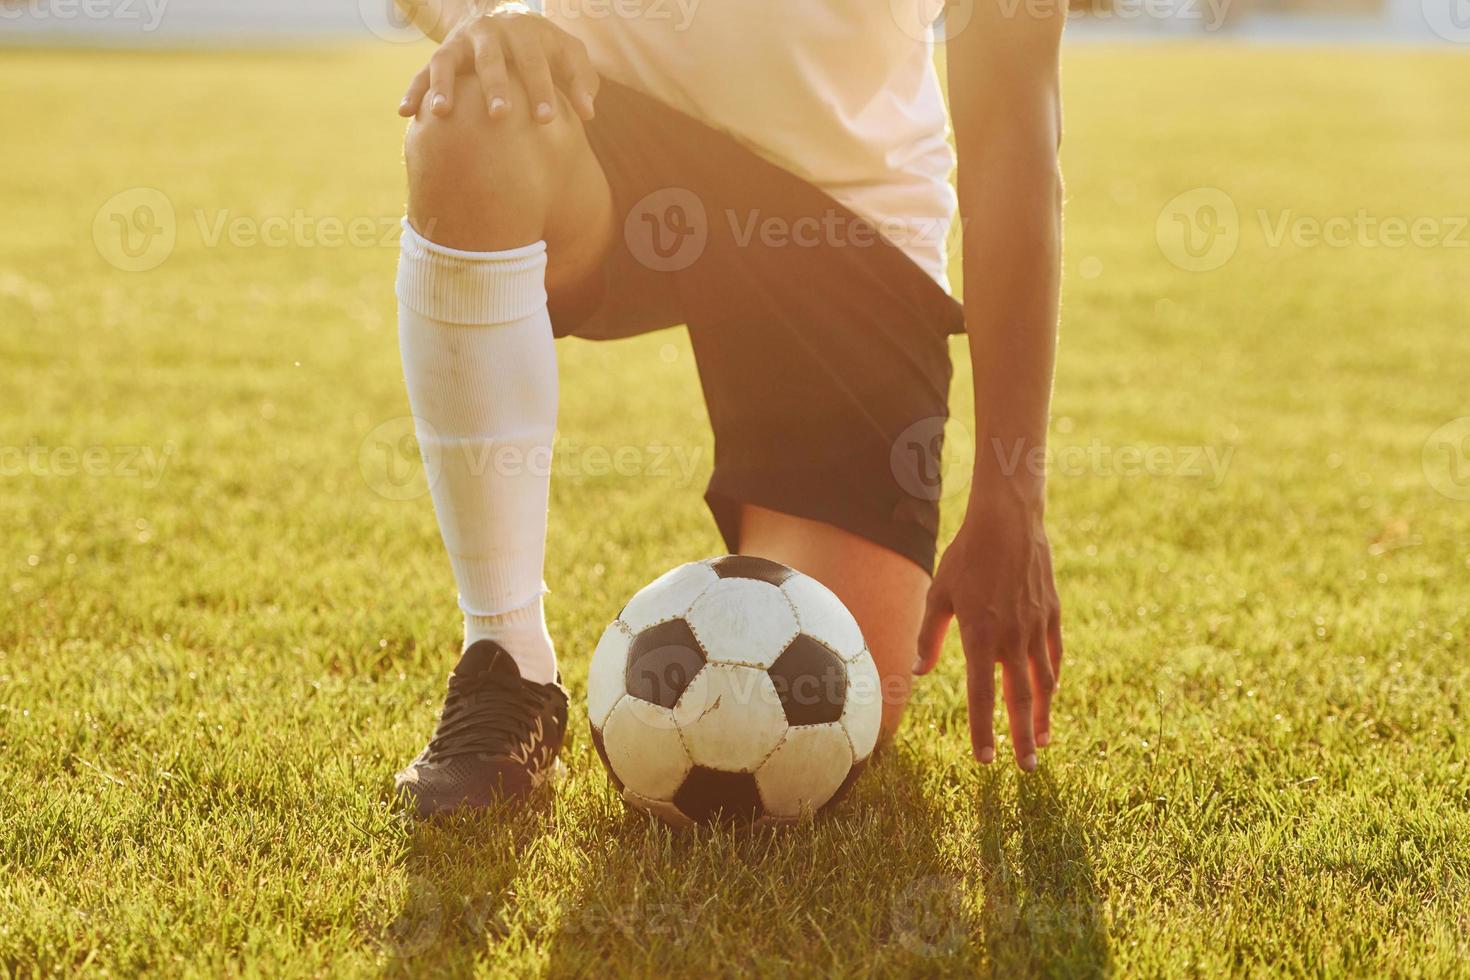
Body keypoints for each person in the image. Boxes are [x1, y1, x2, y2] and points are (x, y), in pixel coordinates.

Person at [390, 0, 1066, 817]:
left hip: (844, 218)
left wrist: (1010, 498)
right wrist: (494, 17)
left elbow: (1010, 137)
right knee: (473, 105)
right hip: (608, 125)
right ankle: (507, 660)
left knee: (843, 691)